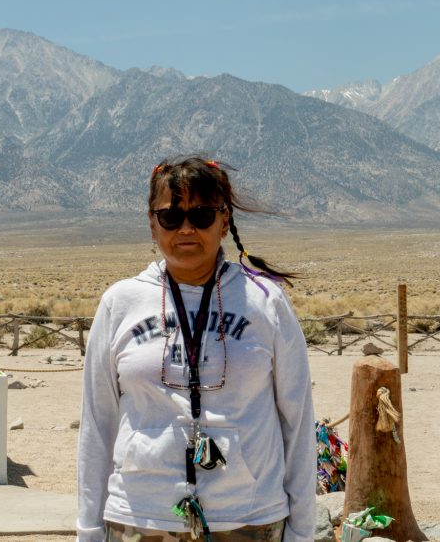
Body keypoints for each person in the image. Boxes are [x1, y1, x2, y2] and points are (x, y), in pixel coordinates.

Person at [77, 156, 315, 542]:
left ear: (224, 222)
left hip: (248, 517)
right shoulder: (120, 303)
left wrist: (302, 532)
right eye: (171, 217)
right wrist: (88, 531)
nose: (186, 228)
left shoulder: (266, 302)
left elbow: (298, 420)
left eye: (202, 215)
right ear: (152, 225)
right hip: (141, 516)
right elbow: (97, 425)